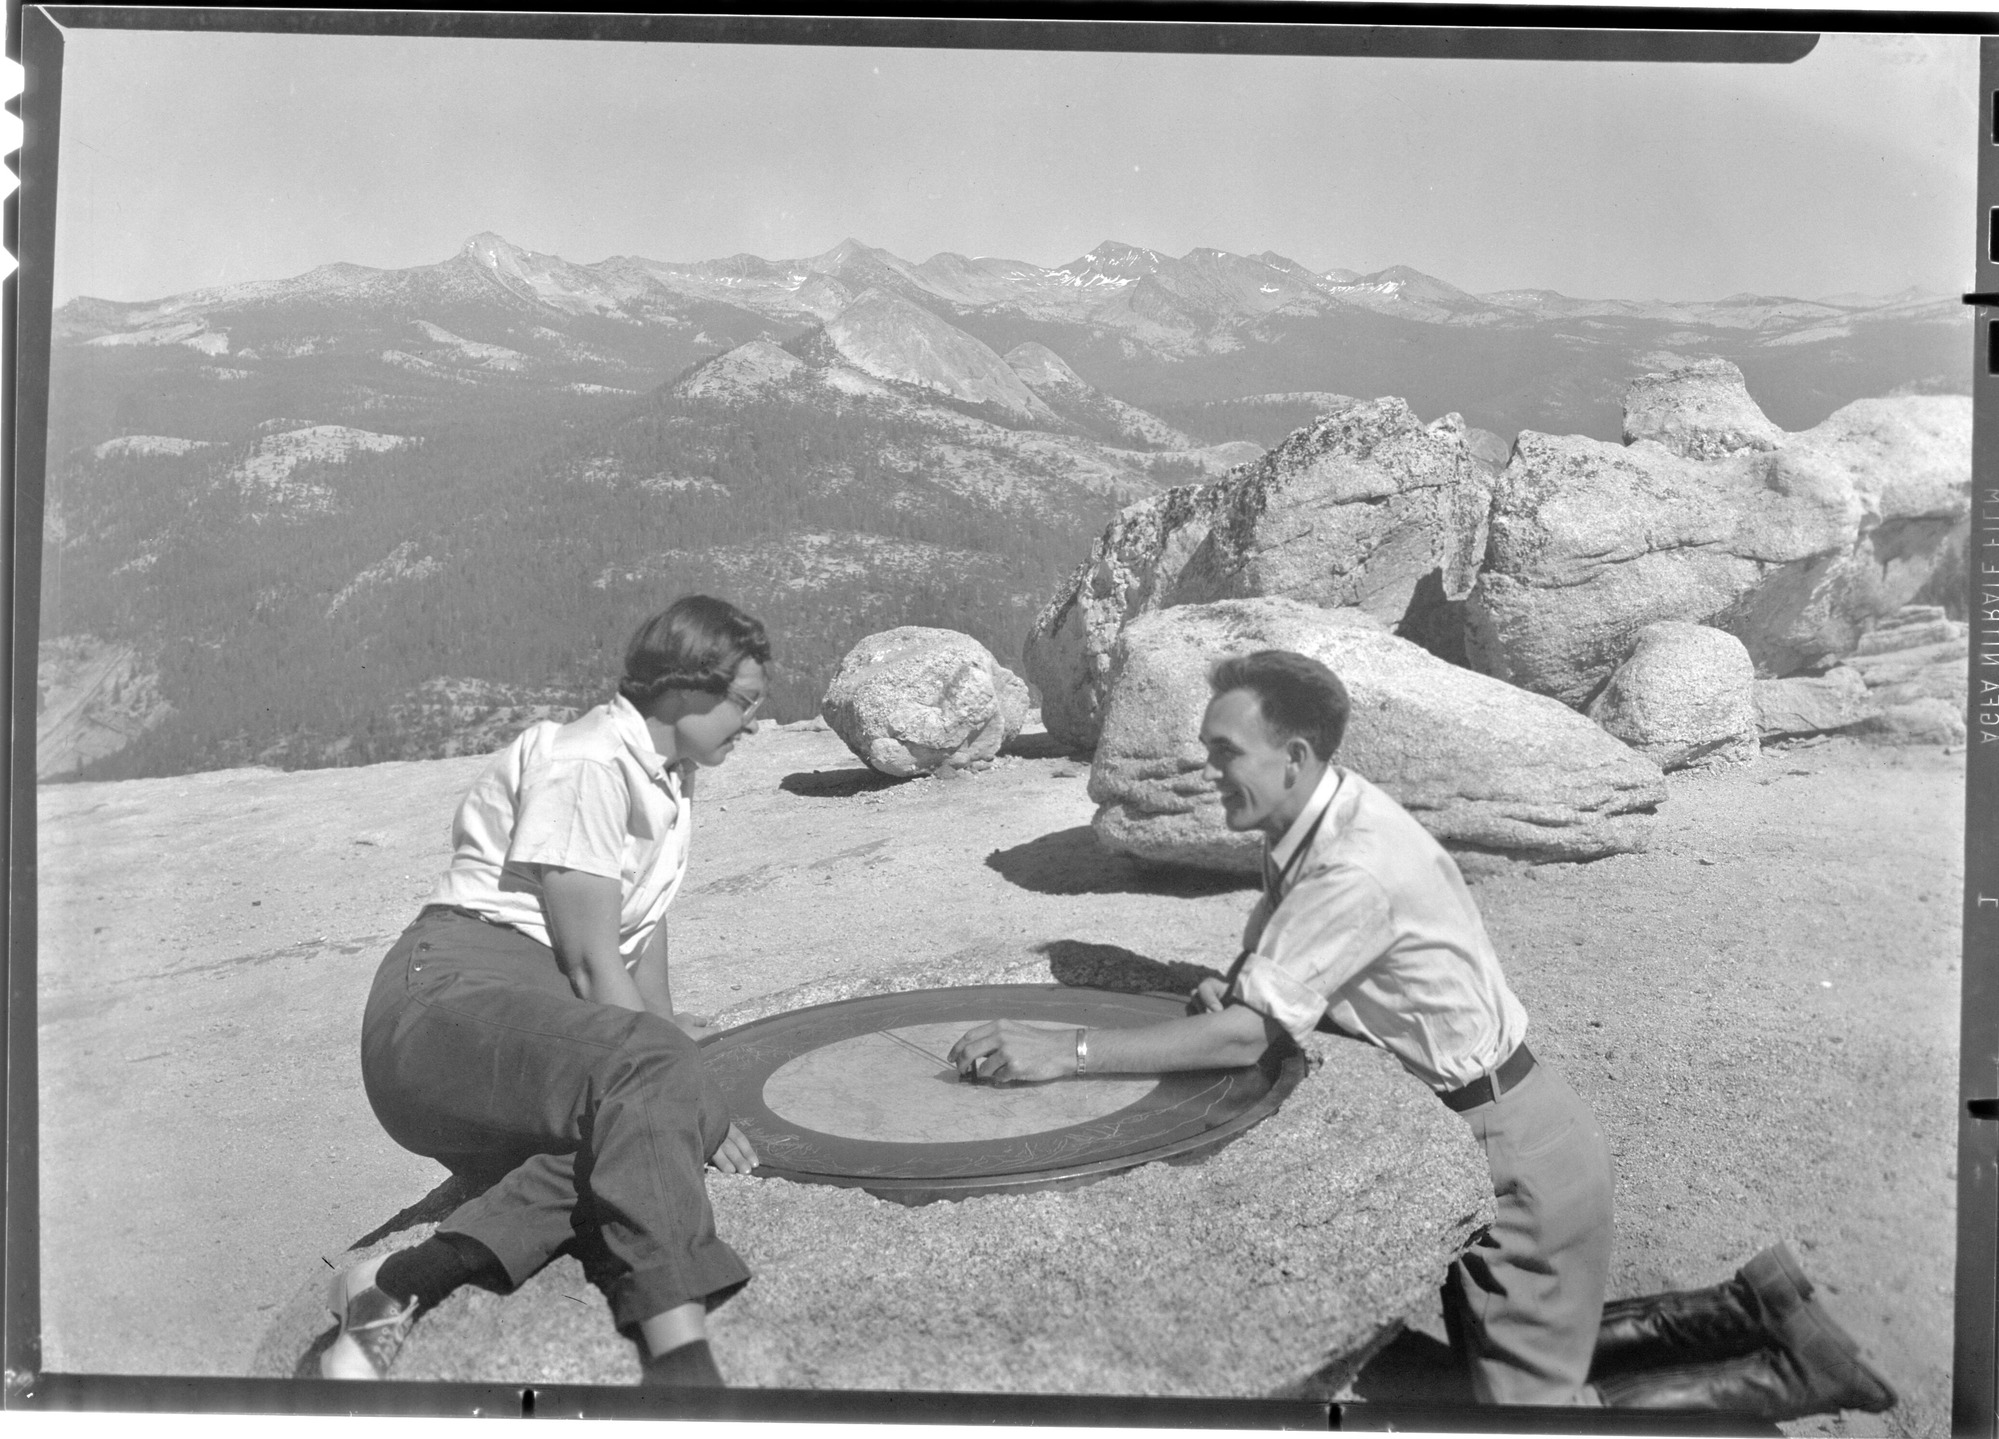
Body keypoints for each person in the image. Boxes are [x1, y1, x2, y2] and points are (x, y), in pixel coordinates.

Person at [948, 648, 1897, 1417]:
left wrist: (1064, 1052)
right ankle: (1752, 1303)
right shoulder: (1319, 824)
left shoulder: (1347, 867)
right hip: (1510, 1127)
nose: (1208, 768)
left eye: (1223, 750)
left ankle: (1793, 1375)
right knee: (1513, 1333)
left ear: (1295, 755)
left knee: (1532, 1416)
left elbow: (1244, 1038)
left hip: (1511, 1158)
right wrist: (1245, 990)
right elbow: (1294, 983)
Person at [321, 595, 771, 1387]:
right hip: (448, 1001)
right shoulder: (588, 762)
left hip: (522, 1029)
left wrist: (685, 1090)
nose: (752, 722)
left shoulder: (667, 777)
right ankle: (682, 1361)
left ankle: (398, 1283)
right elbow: (595, 967)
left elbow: (641, 947)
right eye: (742, 701)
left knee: (646, 1129)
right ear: (681, 686)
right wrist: (680, 1083)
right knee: (659, 1089)